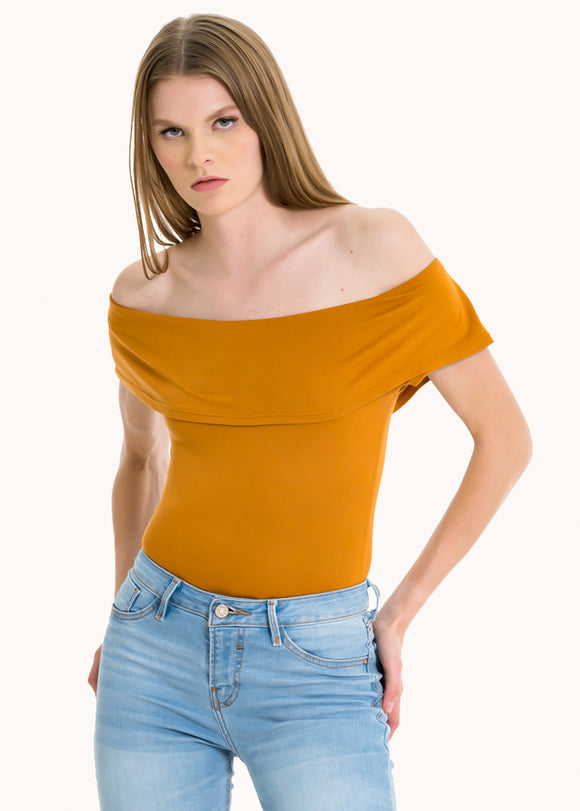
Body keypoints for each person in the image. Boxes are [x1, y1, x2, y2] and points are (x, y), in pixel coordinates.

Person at [88, 12, 532, 811]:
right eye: (171, 132)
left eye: (223, 121)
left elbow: (504, 437)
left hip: (317, 661)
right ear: (148, 146)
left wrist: (399, 613)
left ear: (266, 118)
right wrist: (123, 612)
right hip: (152, 653)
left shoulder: (374, 249)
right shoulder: (144, 296)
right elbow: (140, 458)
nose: (199, 154)